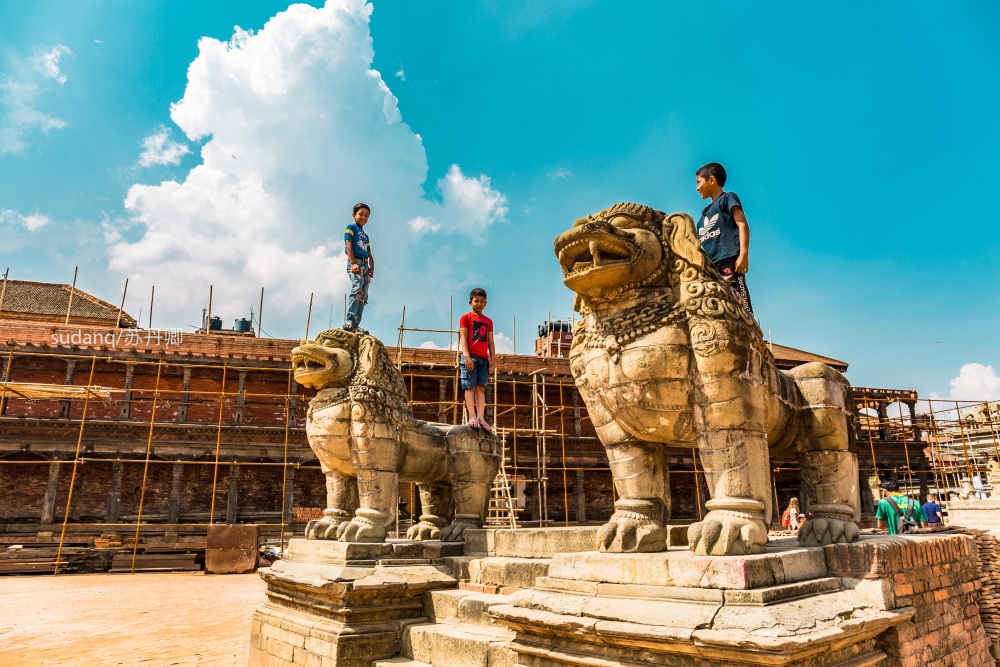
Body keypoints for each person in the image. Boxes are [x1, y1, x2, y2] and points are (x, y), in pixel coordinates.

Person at [695, 162, 752, 313]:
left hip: (729, 260)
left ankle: (751, 333)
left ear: (711, 180)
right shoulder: (701, 219)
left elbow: (742, 225)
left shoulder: (727, 199)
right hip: (710, 268)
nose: (697, 188)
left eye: (699, 182)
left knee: (738, 301)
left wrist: (744, 254)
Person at [459, 288, 495, 432]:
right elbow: (463, 337)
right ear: (470, 302)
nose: (479, 304)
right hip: (471, 357)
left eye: (482, 301)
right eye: (476, 301)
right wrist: (467, 356)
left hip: (484, 359)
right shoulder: (466, 318)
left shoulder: (488, 321)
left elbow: (491, 342)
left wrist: (493, 360)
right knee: (470, 386)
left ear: (486, 303)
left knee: (481, 388)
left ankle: (481, 417)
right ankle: (472, 416)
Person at [344, 202, 375, 332]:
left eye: (366, 215)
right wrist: (353, 263)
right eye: (361, 214)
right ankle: (350, 320)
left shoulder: (365, 236)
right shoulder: (351, 227)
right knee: (357, 289)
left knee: (363, 296)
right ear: (354, 215)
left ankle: (356, 324)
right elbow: (348, 244)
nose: (363, 217)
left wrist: (371, 267)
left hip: (365, 266)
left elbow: (369, 254)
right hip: (356, 262)